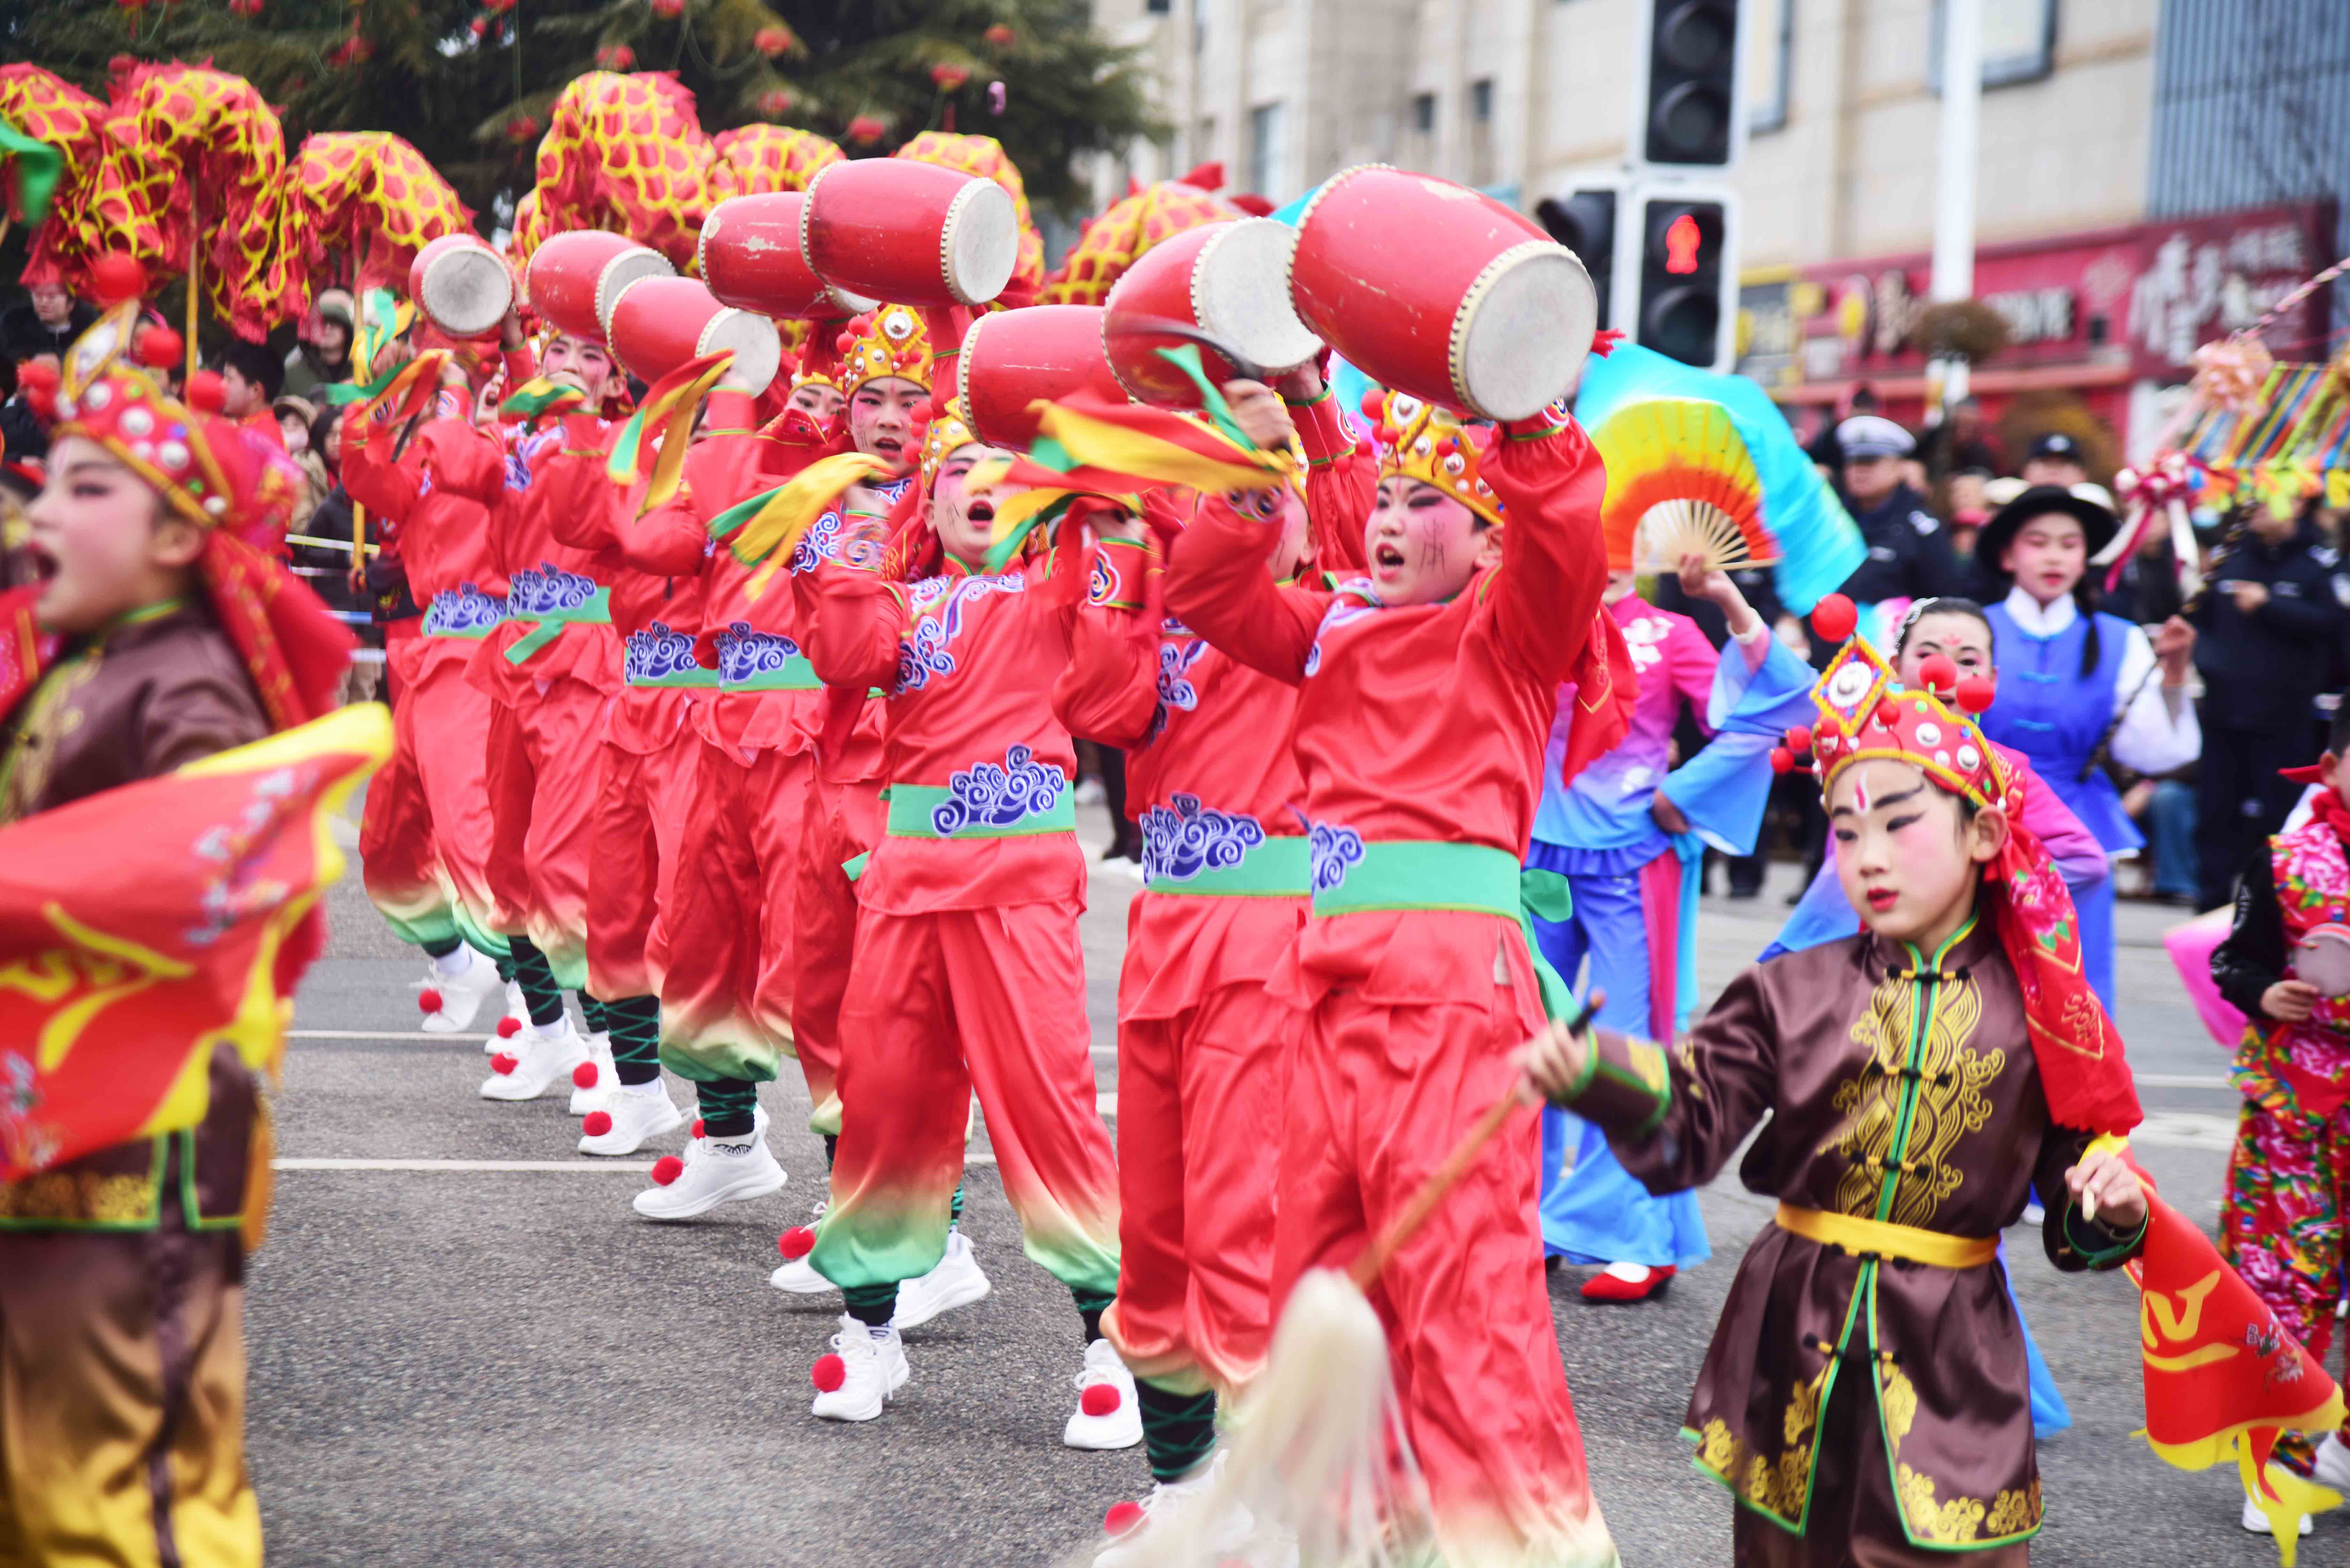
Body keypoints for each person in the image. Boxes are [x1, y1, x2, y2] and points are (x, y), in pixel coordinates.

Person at [1523, 599, 2149, 1566]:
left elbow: (2077, 1216)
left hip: (1952, 1355)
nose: (1869, 857)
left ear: (1984, 834)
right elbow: (1690, 1123)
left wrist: (2108, 1204)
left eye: (1899, 824)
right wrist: (1599, 1071)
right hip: (1790, 1341)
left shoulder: (2041, 1015)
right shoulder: (1791, 989)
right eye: (1846, 832)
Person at [1161, 382, 1628, 1563]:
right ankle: (1353, 1535)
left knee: (1461, 1292)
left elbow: (1564, 540)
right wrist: (1252, 476)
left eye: (1426, 503)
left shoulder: (1508, 633)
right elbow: (1209, 594)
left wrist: (1527, 420)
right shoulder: (1330, 625)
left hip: (1450, 992)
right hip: (1325, 983)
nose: (1388, 519)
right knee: (1320, 1282)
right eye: (1386, 498)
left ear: (1486, 543)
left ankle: (1512, 1544)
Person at [0, 303, 352, 1567]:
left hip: (145, 1137)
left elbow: (203, 878)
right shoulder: (87, 662)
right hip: (60, 1118)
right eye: (46, 485)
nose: (41, 515)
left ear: (175, 536)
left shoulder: (187, 685)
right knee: (40, 1463)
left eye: (87, 489)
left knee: (117, 1480)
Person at [1049, 361, 1372, 1550]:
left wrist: (1302, 416)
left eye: (1256, 477)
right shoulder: (1169, 609)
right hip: (1168, 931)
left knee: (1245, 1224)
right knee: (1158, 1233)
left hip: (1270, 939)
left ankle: (1268, 1498)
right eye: (1214, 471)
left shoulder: (1332, 612)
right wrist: (1108, 546)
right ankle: (1185, 1483)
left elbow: (1352, 519)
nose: (1230, 494)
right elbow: (1099, 708)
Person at [795, 390, 1133, 1446]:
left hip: (1019, 890)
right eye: (955, 470)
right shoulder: (902, 604)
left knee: (1049, 1110)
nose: (980, 485)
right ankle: (871, 1329)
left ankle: (1116, 1344)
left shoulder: (1056, 585)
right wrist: (850, 542)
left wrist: (1084, 493)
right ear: (927, 502)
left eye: (1000, 469)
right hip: (908, 891)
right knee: (883, 1108)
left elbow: (1113, 645)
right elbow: (845, 657)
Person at [1529, 555, 1814, 1303]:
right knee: (1524, 1033)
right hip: (1531, 854)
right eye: (1589, 533)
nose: (1604, 552)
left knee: (1627, 1043)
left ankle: (1636, 1236)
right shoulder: (1526, 610)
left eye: (1619, 534)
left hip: (1628, 857)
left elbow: (1777, 707)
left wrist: (1688, 788)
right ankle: (1525, 1218)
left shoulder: (1671, 631)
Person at [1972, 485, 2200, 1006]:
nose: (2054, 556)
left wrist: (2174, 674)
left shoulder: (2121, 639)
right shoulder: (1971, 628)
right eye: (2038, 542)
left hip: (2077, 828)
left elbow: (2158, 754)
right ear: (2008, 555)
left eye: (2069, 544)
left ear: (2086, 557)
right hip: (1976, 819)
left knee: (2075, 979)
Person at [2210, 702, 2350, 1527]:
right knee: (2287, 1278)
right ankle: (2276, 1461)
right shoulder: (2285, 861)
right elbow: (2233, 959)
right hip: (2295, 1100)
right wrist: (2265, 992)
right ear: (2330, 769)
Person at [2193, 500, 2341, 911]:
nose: (2256, 508)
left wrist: (2269, 605)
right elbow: (2201, 620)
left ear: (2294, 503)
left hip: (2284, 716)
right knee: (2215, 814)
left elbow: (2331, 626)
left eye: (2267, 499)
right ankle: (2208, 907)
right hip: (2224, 710)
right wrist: (2209, 666)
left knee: (2277, 816)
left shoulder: (2318, 563)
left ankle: (2273, 911)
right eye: (2251, 500)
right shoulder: (2231, 555)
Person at [1828, 414, 1963, 643]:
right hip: (1831, 646)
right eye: (1854, 462)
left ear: (1900, 468)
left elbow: (1944, 601)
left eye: (1871, 462)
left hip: (1895, 648)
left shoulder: (1922, 529)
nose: (1860, 471)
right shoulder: (1833, 520)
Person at [0, 277, 95, 364]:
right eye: (38, 295)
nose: (44, 302)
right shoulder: (16, 331)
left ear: (71, 304)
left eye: (52, 297)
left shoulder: (91, 333)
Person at [216, 339, 287, 453]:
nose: (222, 385)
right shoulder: (249, 427)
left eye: (229, 379)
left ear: (255, 390)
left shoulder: (261, 440)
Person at [282, 289, 355, 399]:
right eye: (321, 323)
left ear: (347, 331)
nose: (328, 328)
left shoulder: (362, 370)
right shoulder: (293, 373)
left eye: (335, 322)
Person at [2018, 431, 2089, 490]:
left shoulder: (2094, 501)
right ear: (2025, 471)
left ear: (2083, 473)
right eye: (2045, 462)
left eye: (2063, 464)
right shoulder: (2012, 500)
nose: (2054, 472)